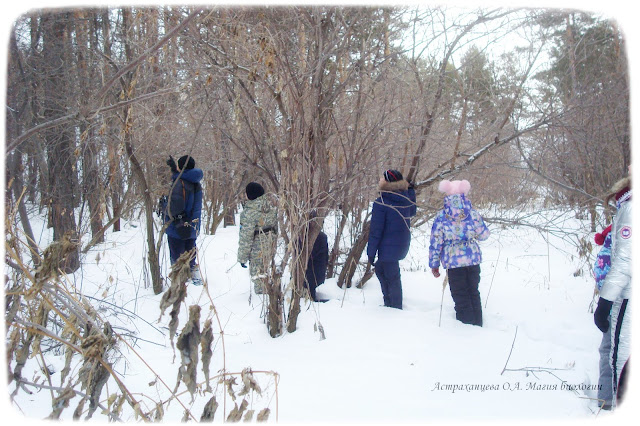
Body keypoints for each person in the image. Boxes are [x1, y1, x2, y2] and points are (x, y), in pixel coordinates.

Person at [593, 173, 632, 409]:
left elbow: (624, 262)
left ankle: (608, 402)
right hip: (616, 290)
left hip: (623, 295)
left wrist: (604, 300)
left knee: (613, 352)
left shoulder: (629, 210)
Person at [429, 179, 490, 326]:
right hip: (473, 260)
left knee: (460, 295)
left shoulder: (442, 217)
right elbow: (484, 235)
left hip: (453, 262)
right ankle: (478, 326)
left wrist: (434, 264)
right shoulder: (472, 214)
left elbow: (436, 242)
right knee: (473, 293)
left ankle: (466, 329)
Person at [367, 169, 417, 309]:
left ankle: (394, 308)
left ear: (388, 181)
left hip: (387, 247)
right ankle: (391, 305)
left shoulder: (382, 202)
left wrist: (371, 252)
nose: (379, 180)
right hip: (401, 244)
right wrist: (411, 191)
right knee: (386, 273)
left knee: (389, 276)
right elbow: (412, 211)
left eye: (382, 178)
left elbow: (376, 231)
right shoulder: (405, 198)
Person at [164, 155, 203, 285]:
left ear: (181, 167)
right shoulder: (194, 181)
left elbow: (174, 207)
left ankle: (178, 281)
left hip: (178, 227)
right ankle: (194, 275)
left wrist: (163, 205)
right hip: (192, 226)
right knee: (190, 252)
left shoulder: (179, 184)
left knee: (177, 256)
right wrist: (174, 170)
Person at [237, 182, 278, 294]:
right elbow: (276, 227)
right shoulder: (271, 208)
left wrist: (242, 257)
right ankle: (270, 290)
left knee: (257, 273)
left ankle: (262, 296)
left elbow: (246, 237)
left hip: (257, 246)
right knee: (266, 268)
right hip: (270, 242)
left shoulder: (249, 212)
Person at [593, 224, 614, 410]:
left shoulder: (622, 229)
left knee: (609, 349)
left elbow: (604, 266)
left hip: (620, 299)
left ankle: (606, 400)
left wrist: (604, 301)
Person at [303, 223, 329, 302]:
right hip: (315, 272)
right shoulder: (322, 237)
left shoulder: (304, 236)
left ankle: (310, 296)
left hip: (313, 271)